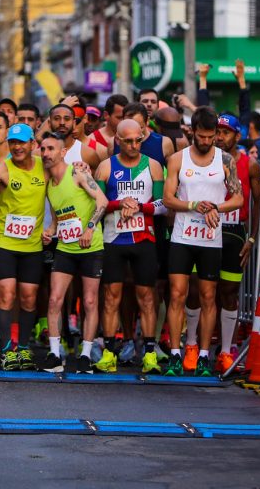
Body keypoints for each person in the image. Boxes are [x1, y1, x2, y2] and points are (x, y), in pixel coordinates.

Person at [161, 107, 243, 377]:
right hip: (183, 236)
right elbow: (169, 199)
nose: (208, 141)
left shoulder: (226, 160)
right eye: (202, 136)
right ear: (192, 131)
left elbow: (238, 198)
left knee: (209, 296)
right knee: (177, 294)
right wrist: (195, 205)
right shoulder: (178, 159)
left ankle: (205, 355)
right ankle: (176, 354)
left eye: (211, 137)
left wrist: (215, 209)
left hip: (210, 238)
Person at [95, 119, 166, 374]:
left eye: (138, 140)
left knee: (146, 297)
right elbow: (99, 204)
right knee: (111, 297)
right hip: (114, 239)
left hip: (144, 239)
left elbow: (163, 205)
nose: (134, 145)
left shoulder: (154, 167)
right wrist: (119, 203)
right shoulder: (105, 167)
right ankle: (109, 352)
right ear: (117, 139)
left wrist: (139, 206)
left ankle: (148, 353)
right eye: (128, 141)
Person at [40, 132, 108, 374]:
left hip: (90, 246)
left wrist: (90, 228)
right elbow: (59, 217)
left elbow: (102, 201)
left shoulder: (77, 172)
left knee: (89, 301)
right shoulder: (50, 185)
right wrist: (49, 230)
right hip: (65, 247)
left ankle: (86, 356)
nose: (46, 153)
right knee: (54, 299)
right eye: (43, 148)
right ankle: (54, 354)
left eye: (51, 149)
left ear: (62, 152)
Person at [0, 123, 48, 371]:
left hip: (32, 244)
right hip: (4, 240)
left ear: (32, 144)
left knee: (29, 298)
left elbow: (63, 184)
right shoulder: (3, 167)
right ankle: (6, 350)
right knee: (7, 294)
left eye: (22, 142)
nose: (17, 147)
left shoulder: (44, 167)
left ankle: (23, 347)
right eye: (13, 143)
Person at [212, 113, 260, 372]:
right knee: (205, 292)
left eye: (226, 132)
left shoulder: (250, 164)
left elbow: (257, 202)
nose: (220, 137)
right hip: (206, 230)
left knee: (229, 292)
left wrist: (252, 238)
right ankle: (200, 348)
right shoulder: (206, 160)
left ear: (237, 136)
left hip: (234, 232)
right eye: (217, 132)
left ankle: (227, 348)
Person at [82, 94, 127, 167]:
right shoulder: (91, 140)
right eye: (119, 117)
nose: (123, 121)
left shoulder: (134, 138)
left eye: (126, 117)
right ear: (106, 115)